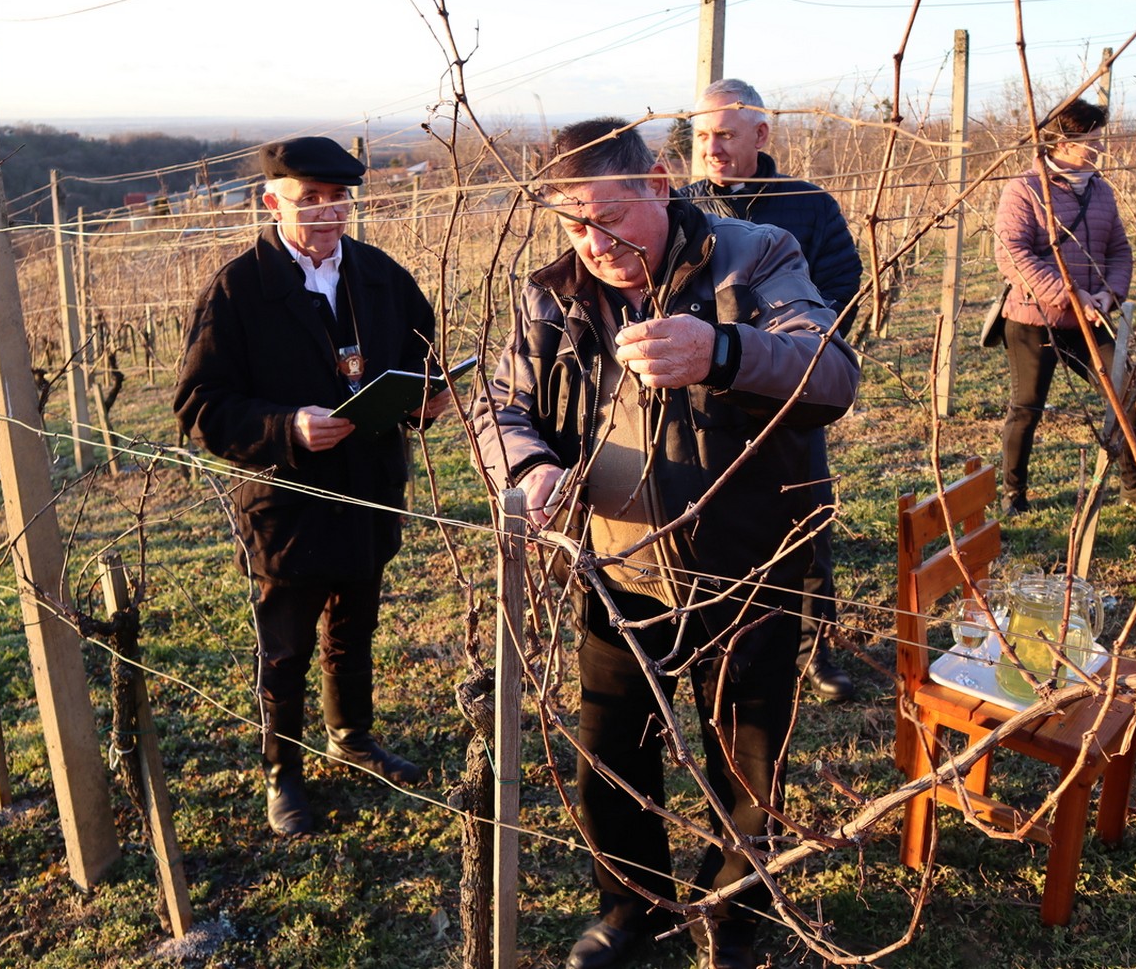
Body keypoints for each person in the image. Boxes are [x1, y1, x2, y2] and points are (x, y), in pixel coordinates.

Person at [473, 119, 860, 969]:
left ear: (659, 182)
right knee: (613, 748)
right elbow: (499, 405)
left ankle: (732, 905)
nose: (594, 244)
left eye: (608, 218)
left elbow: (832, 373)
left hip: (750, 559)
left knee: (747, 752)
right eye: (573, 225)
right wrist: (530, 465)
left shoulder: (754, 254)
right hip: (617, 564)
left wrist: (722, 351)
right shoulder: (553, 292)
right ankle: (632, 907)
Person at [174, 137, 450, 837]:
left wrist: (428, 397)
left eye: (337, 200)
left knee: (355, 627)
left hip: (369, 490)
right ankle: (283, 771)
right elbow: (201, 404)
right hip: (287, 505)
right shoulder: (237, 290)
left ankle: (351, 734)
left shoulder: (382, 276)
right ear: (273, 203)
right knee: (287, 646)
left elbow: (422, 354)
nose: (327, 214)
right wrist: (286, 426)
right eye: (309, 200)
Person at [680, 77, 862, 703]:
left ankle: (815, 648)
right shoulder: (678, 207)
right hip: (698, 403)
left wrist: (775, 354)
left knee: (806, 524)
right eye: (701, 136)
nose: (712, 148)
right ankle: (706, 639)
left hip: (788, 399)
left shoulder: (808, 205)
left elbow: (840, 288)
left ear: (760, 134)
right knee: (701, 519)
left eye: (725, 134)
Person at [992, 97, 1136, 516]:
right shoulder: (1023, 189)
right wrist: (1069, 295)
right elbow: (1013, 254)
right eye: (1091, 139)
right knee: (1027, 406)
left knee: (1131, 393)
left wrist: (1108, 294)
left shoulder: (1101, 190)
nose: (1100, 147)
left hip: (1091, 318)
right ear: (1060, 144)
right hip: (1033, 318)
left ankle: (1135, 486)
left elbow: (1119, 250)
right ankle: (1014, 494)